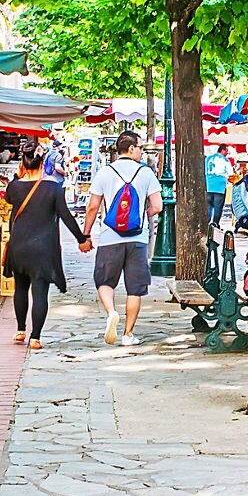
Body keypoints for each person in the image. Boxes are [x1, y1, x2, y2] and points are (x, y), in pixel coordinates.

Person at [4, 143, 91, 348]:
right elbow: (66, 217)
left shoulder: (14, 187)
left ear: (22, 164)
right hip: (42, 249)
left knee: (20, 289)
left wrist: (18, 176)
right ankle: (35, 337)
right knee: (40, 292)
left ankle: (20, 330)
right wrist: (82, 239)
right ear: (43, 164)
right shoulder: (53, 188)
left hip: (19, 246)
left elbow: (8, 198)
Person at [83, 130, 162, 347]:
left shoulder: (105, 173)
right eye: (140, 148)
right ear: (130, 149)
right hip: (137, 239)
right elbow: (157, 206)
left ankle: (111, 313)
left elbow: (92, 207)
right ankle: (128, 334)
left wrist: (86, 234)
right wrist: (142, 217)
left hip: (110, 237)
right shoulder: (146, 174)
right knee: (135, 288)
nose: (141, 152)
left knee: (104, 281)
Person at [205, 145, 232, 226]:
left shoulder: (208, 158)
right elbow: (230, 173)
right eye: (226, 151)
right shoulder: (225, 160)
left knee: (208, 207)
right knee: (218, 207)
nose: (227, 153)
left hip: (208, 186)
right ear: (223, 150)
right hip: (219, 187)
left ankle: (206, 224)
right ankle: (215, 225)